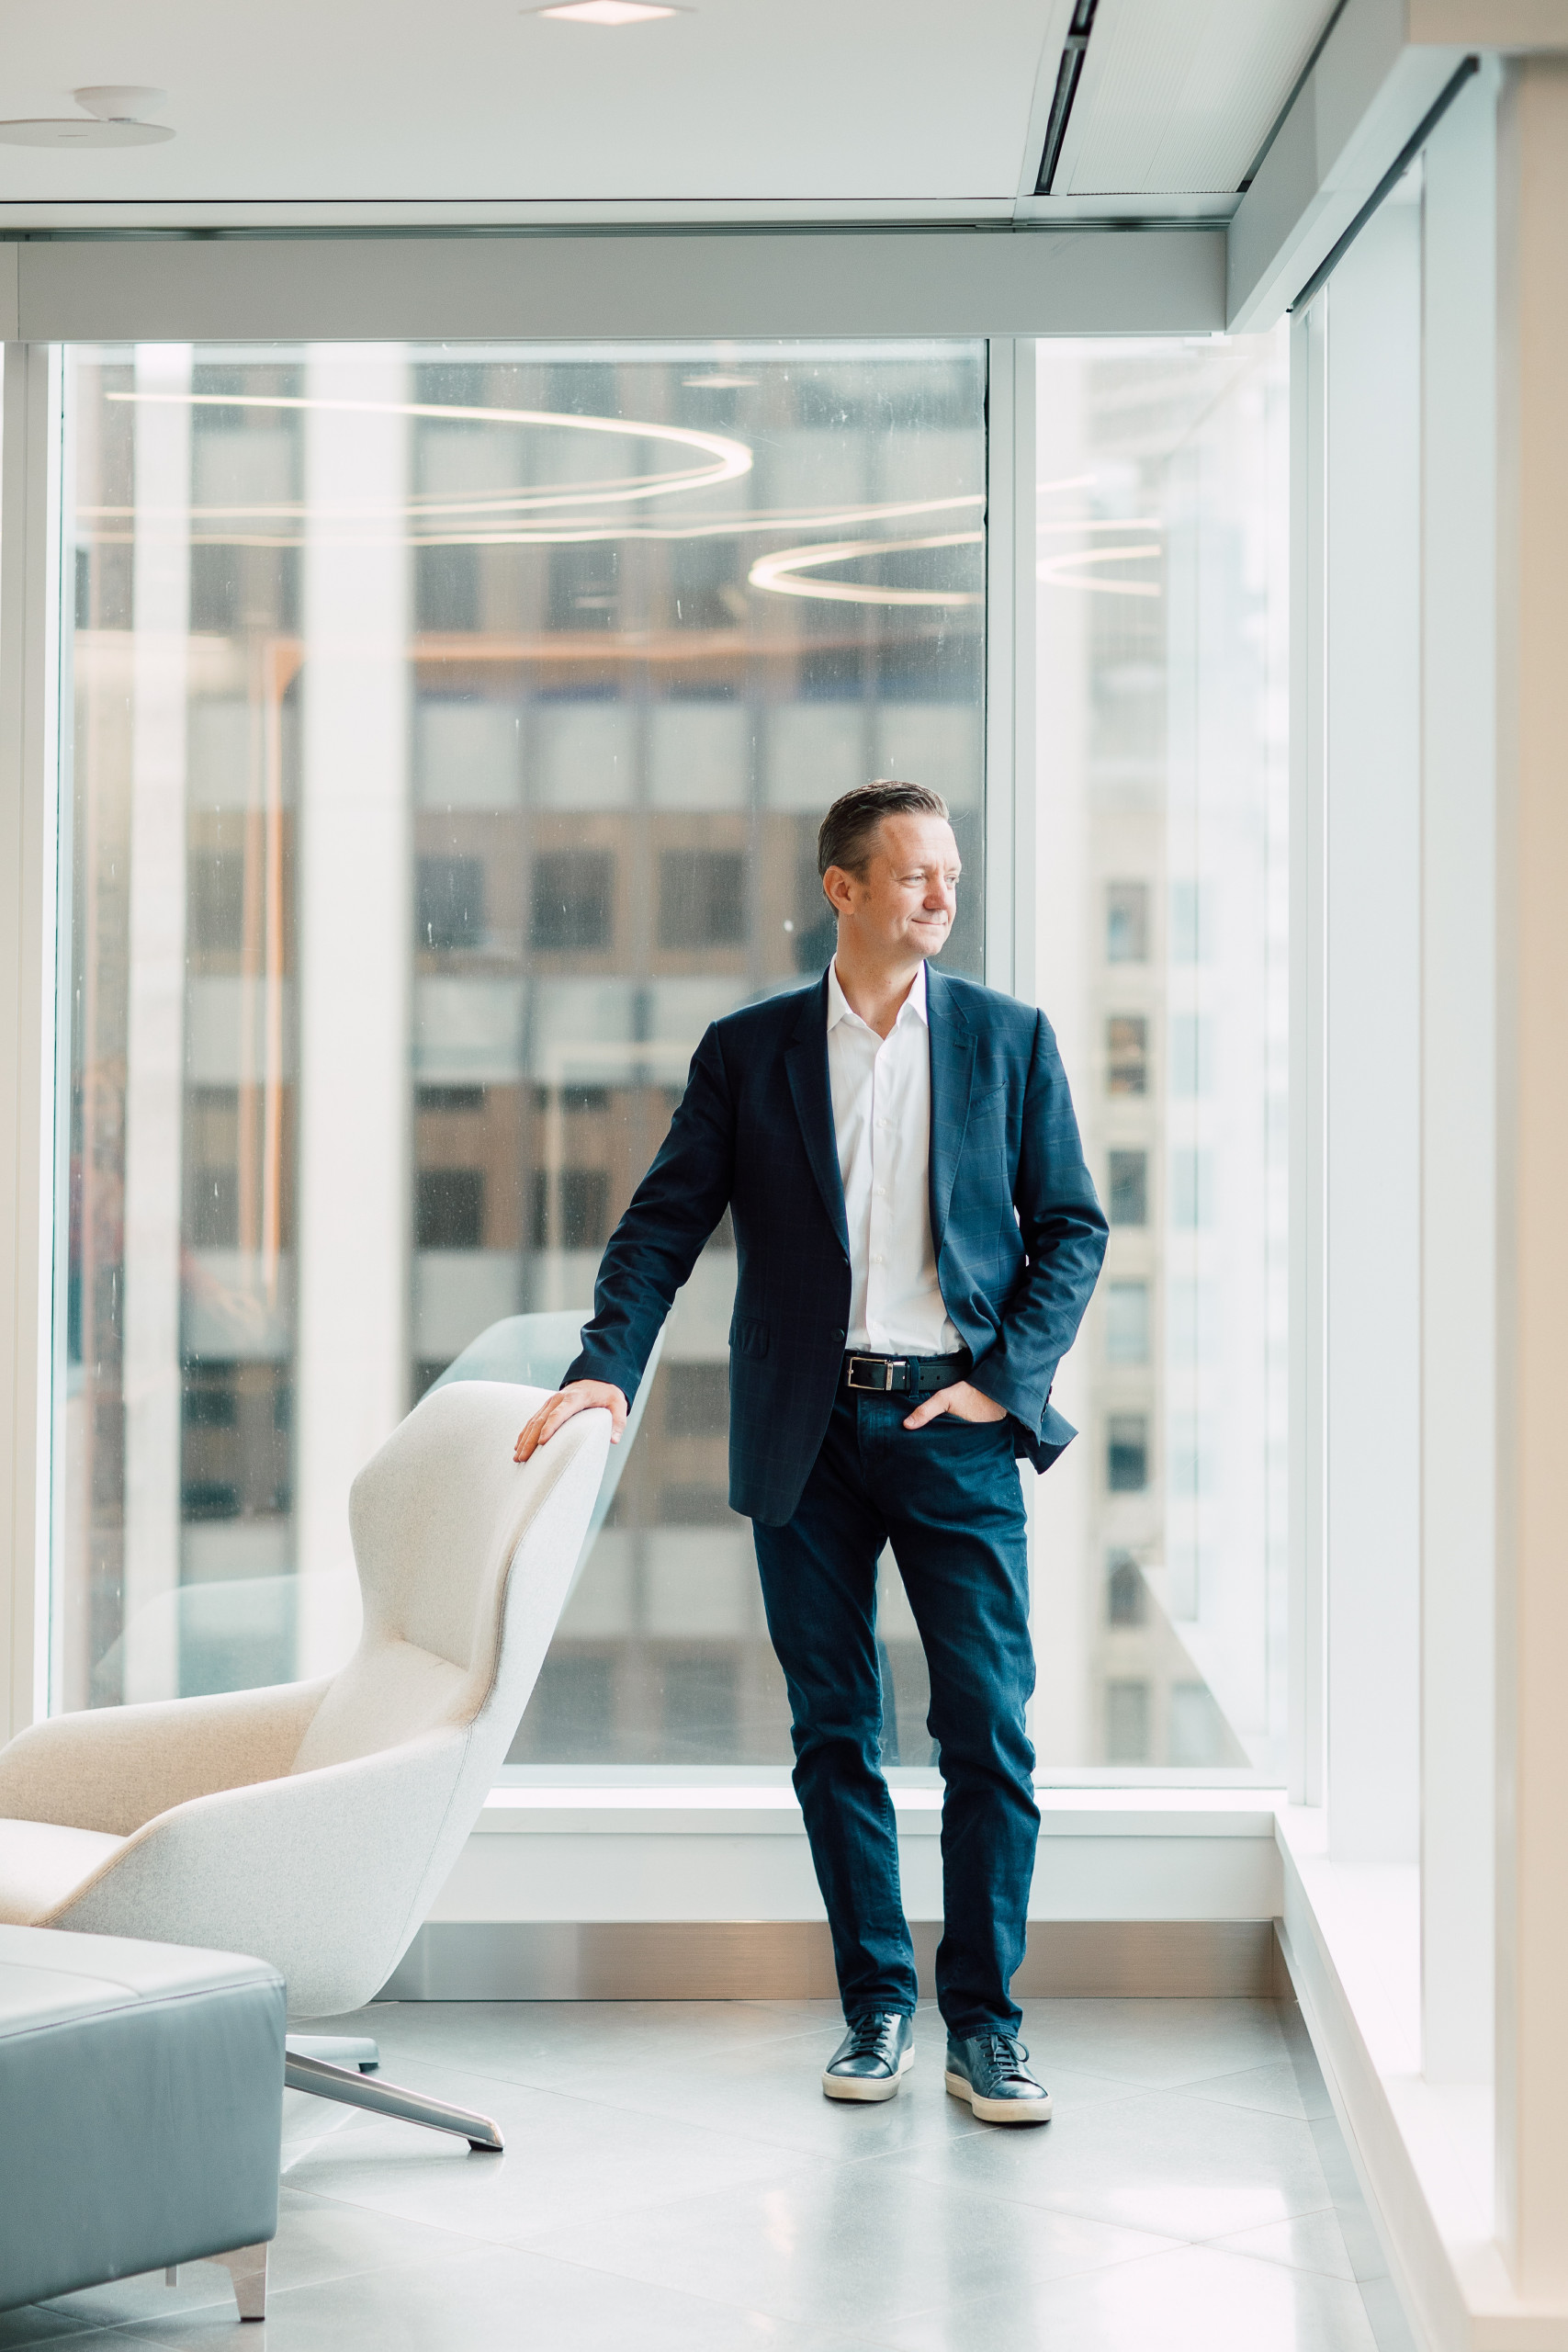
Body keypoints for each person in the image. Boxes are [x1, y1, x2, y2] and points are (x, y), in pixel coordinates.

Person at [514, 780, 1107, 2125]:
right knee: (835, 1731)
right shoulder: (751, 1052)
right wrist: (604, 1373)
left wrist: (1003, 1385)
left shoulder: (1010, 1042)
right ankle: (876, 2005)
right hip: (808, 1431)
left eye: (951, 875)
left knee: (988, 1733)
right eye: (916, 878)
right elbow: (662, 1227)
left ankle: (989, 2029)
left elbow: (1072, 1225)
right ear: (843, 889)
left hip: (951, 1424)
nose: (944, 898)